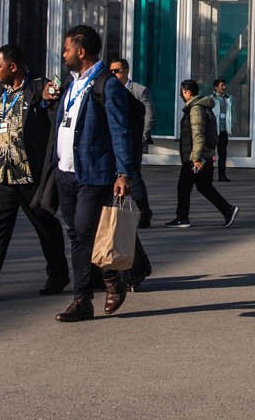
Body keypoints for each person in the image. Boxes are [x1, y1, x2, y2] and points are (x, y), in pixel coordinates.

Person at [0, 44, 70, 303]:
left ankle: (58, 275)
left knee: (45, 226)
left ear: (13, 67)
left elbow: (55, 120)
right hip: (0, 175)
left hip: (29, 175)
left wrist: (51, 99)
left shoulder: (37, 89)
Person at [41, 25, 135, 323]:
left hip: (94, 171)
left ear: (81, 51)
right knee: (77, 233)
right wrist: (48, 101)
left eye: (67, 48)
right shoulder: (72, 83)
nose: (64, 53)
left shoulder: (107, 85)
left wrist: (123, 173)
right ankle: (85, 298)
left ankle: (105, 281)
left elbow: (122, 131)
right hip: (66, 171)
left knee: (83, 230)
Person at [168, 80, 239, 228]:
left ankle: (182, 218)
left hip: (195, 157)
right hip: (203, 155)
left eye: (182, 92)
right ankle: (227, 210)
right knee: (203, 186)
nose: (181, 94)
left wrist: (196, 158)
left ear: (187, 92)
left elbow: (198, 134)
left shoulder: (196, 109)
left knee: (184, 186)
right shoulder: (203, 107)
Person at [108, 59, 154, 227]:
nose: (113, 74)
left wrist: (143, 137)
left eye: (117, 71)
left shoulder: (139, 90)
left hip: (133, 141)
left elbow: (148, 115)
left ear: (126, 71)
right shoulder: (109, 90)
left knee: (133, 177)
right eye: (111, 71)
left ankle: (144, 211)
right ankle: (116, 214)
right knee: (115, 177)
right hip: (114, 142)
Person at [212, 78, 235, 181]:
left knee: (222, 154)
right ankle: (209, 175)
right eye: (222, 85)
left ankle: (222, 175)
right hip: (213, 131)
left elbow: (232, 113)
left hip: (223, 130)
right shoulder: (211, 99)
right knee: (210, 155)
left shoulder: (228, 98)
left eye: (224, 85)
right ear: (216, 87)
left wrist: (233, 124)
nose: (224, 87)